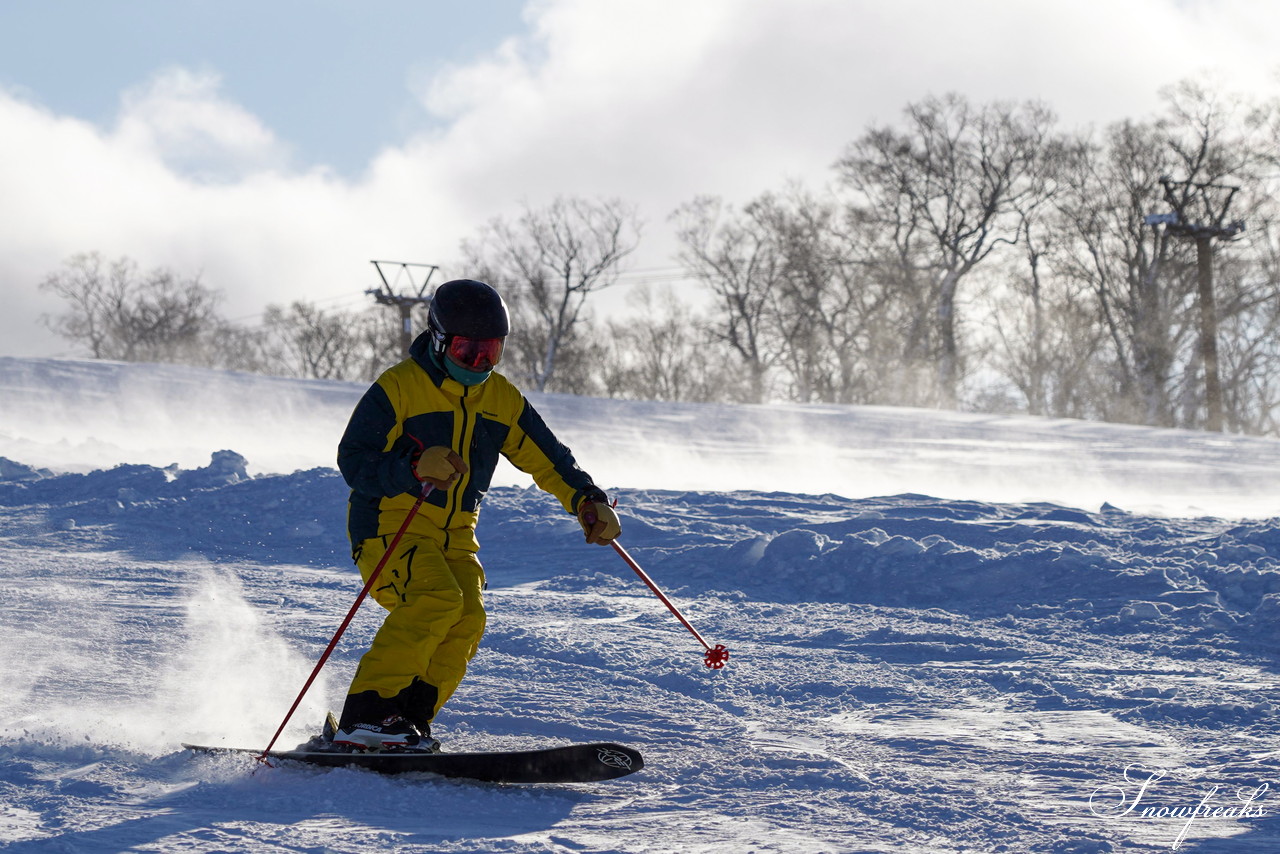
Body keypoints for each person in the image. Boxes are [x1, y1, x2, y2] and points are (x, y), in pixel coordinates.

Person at [330, 278, 621, 752]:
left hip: (456, 534)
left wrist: (587, 500)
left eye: (492, 352)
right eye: (469, 352)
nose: (480, 363)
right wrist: (409, 467)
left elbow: (548, 459)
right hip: (390, 525)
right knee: (435, 599)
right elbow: (353, 461)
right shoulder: (400, 388)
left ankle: (406, 718)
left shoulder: (501, 399)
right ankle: (365, 716)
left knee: (467, 615)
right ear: (441, 341)